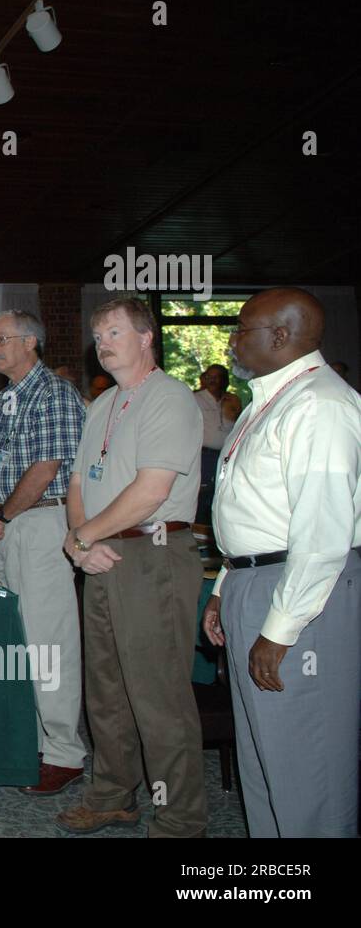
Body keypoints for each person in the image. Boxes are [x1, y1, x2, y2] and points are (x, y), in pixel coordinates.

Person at [202, 287, 361, 838]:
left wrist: (283, 627)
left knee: (305, 765)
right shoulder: (269, 400)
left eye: (241, 328)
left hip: (300, 591)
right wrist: (226, 586)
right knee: (265, 762)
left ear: (282, 335)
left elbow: (322, 532)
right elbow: (254, 513)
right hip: (257, 579)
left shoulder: (320, 404)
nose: (231, 339)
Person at [55, 298, 206, 837]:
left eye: (115, 331)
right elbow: (76, 485)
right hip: (100, 555)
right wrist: (80, 543)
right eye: (98, 334)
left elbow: (150, 492)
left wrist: (82, 537)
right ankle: (114, 795)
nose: (103, 342)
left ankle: (182, 819)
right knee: (107, 690)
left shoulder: (170, 398)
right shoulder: (102, 404)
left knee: (157, 694)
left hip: (152, 554)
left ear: (146, 339)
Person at [0, 309, 88, 795]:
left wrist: (2, 515)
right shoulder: (5, 399)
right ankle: (31, 740)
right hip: (4, 524)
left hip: (39, 522)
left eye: (1, 339)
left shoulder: (54, 393)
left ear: (31, 343)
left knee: (47, 639)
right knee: (15, 639)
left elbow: (47, 466)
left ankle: (64, 753)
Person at [193, 363, 241, 525]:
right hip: (204, 457)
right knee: (203, 497)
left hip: (228, 457)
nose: (212, 380)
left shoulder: (232, 400)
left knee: (223, 495)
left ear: (224, 380)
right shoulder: (195, 398)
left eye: (216, 377)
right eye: (209, 377)